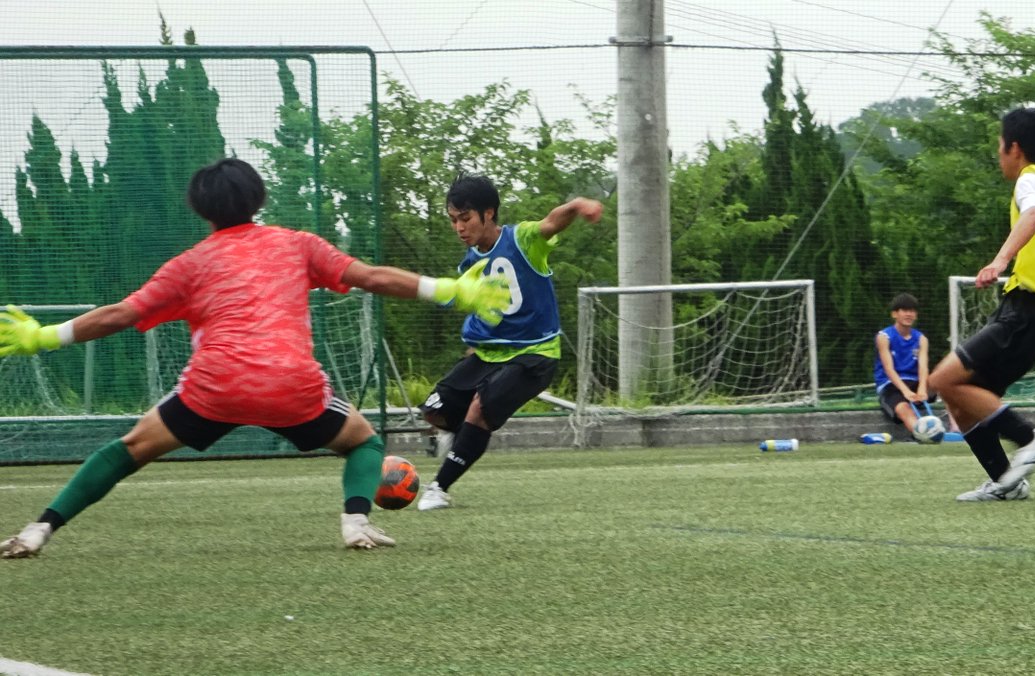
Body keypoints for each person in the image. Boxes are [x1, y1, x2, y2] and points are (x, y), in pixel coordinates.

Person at [0, 158, 509, 558]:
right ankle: (356, 524)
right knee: (364, 442)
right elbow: (371, 277)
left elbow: (120, 314)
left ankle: (39, 529)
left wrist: (44, 336)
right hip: (292, 385)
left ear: (202, 210)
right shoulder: (296, 245)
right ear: (259, 198)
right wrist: (448, 289)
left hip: (215, 386)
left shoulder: (190, 265)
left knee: (126, 451)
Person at [416, 173, 603, 511]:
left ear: (488, 213)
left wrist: (577, 205)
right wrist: (473, 350)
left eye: (465, 218)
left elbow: (551, 223)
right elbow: (485, 309)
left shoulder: (522, 239)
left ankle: (438, 488)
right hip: (489, 353)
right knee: (434, 411)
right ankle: (464, 438)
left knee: (480, 409)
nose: (459, 227)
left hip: (534, 353)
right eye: (453, 220)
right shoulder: (470, 261)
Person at [929, 108, 1035, 501]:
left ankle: (1031, 438)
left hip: (1026, 311)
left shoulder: (1031, 179)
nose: (998, 154)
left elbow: (1032, 214)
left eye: (1000, 146)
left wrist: (999, 261)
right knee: (960, 398)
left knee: (942, 380)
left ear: (1015, 148)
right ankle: (1006, 483)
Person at [874, 292, 933, 440]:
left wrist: (922, 389)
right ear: (894, 314)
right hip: (891, 385)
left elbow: (923, 367)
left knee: (946, 383)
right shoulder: (884, 337)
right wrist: (906, 392)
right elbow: (889, 369)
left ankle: (956, 429)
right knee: (902, 407)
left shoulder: (921, 339)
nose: (909, 314)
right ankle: (922, 434)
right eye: (905, 310)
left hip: (914, 383)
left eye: (912, 311)